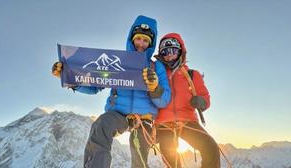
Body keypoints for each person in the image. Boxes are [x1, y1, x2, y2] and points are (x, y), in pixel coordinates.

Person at [52, 15, 171, 168]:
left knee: (139, 152)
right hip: (118, 114)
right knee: (101, 125)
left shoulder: (156, 67)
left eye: (146, 40)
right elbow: (95, 85)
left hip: (144, 119)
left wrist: (154, 87)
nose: (141, 44)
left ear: (151, 43)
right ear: (132, 38)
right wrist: (70, 78)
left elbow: (164, 100)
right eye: (139, 39)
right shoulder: (117, 61)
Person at [154, 33, 220, 168]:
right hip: (164, 124)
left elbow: (205, 97)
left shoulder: (192, 75)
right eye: (165, 52)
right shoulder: (157, 73)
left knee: (210, 148)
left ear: (180, 52)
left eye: (173, 51)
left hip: (187, 121)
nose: (169, 55)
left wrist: (201, 101)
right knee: (173, 162)